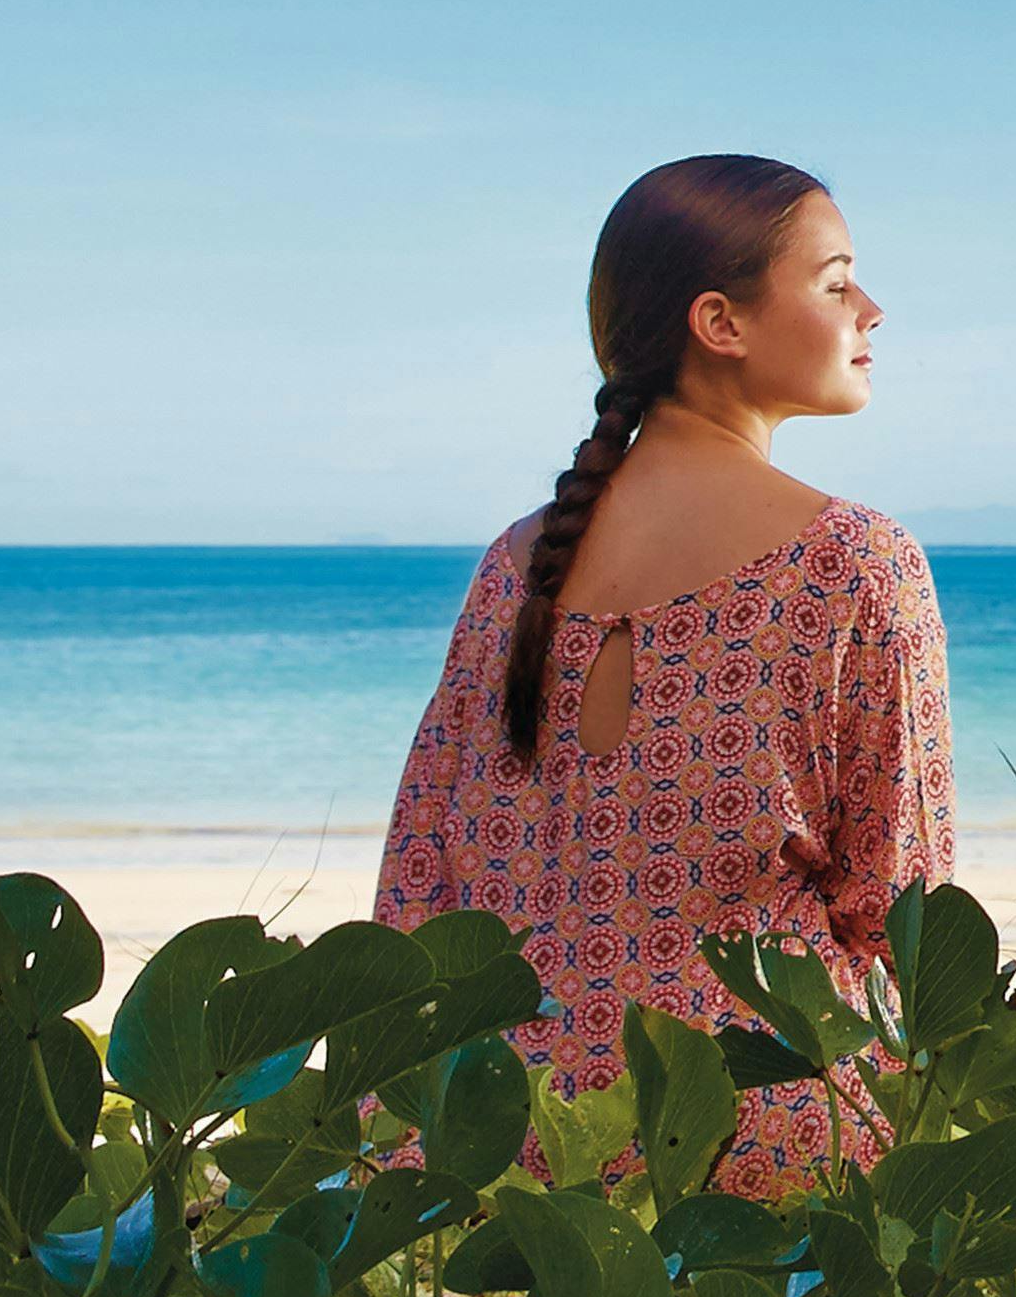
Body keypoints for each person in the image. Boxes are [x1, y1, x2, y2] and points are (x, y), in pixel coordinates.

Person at [374, 154, 953, 1198]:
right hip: (754, 1136)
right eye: (835, 282)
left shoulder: (512, 564)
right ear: (720, 323)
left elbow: (421, 889)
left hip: (503, 1144)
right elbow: (903, 910)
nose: (872, 309)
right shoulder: (854, 561)